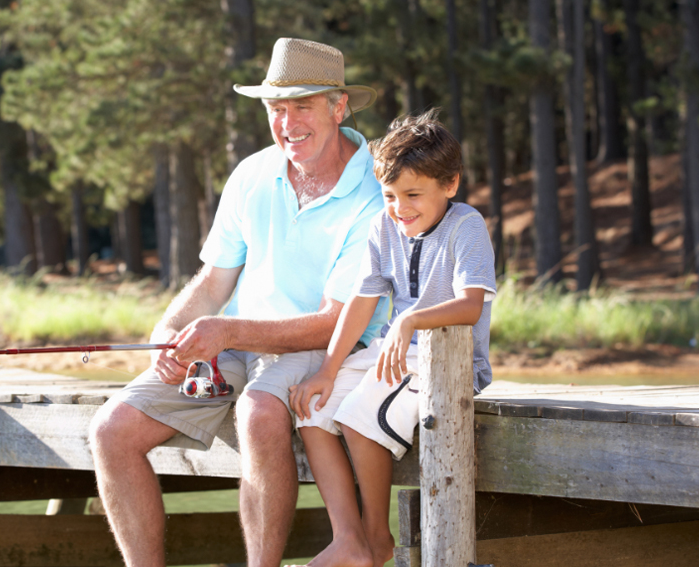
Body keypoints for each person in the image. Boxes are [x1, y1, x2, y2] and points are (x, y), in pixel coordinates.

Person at [89, 37, 390, 567]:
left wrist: (227, 333)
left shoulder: (374, 193)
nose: (288, 122)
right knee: (111, 431)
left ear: (338, 107)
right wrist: (170, 331)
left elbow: (333, 321)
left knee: (257, 412)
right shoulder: (253, 173)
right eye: (277, 108)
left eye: (303, 106)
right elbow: (212, 282)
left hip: (326, 345)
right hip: (236, 345)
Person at [287, 109, 497, 567]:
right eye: (389, 196)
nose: (400, 207)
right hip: (394, 351)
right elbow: (362, 301)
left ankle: (377, 541)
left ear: (450, 184)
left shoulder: (467, 227)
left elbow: (471, 305)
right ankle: (349, 540)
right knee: (312, 408)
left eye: (413, 194)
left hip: (448, 366)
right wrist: (327, 369)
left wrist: (409, 321)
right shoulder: (384, 226)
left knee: (361, 418)